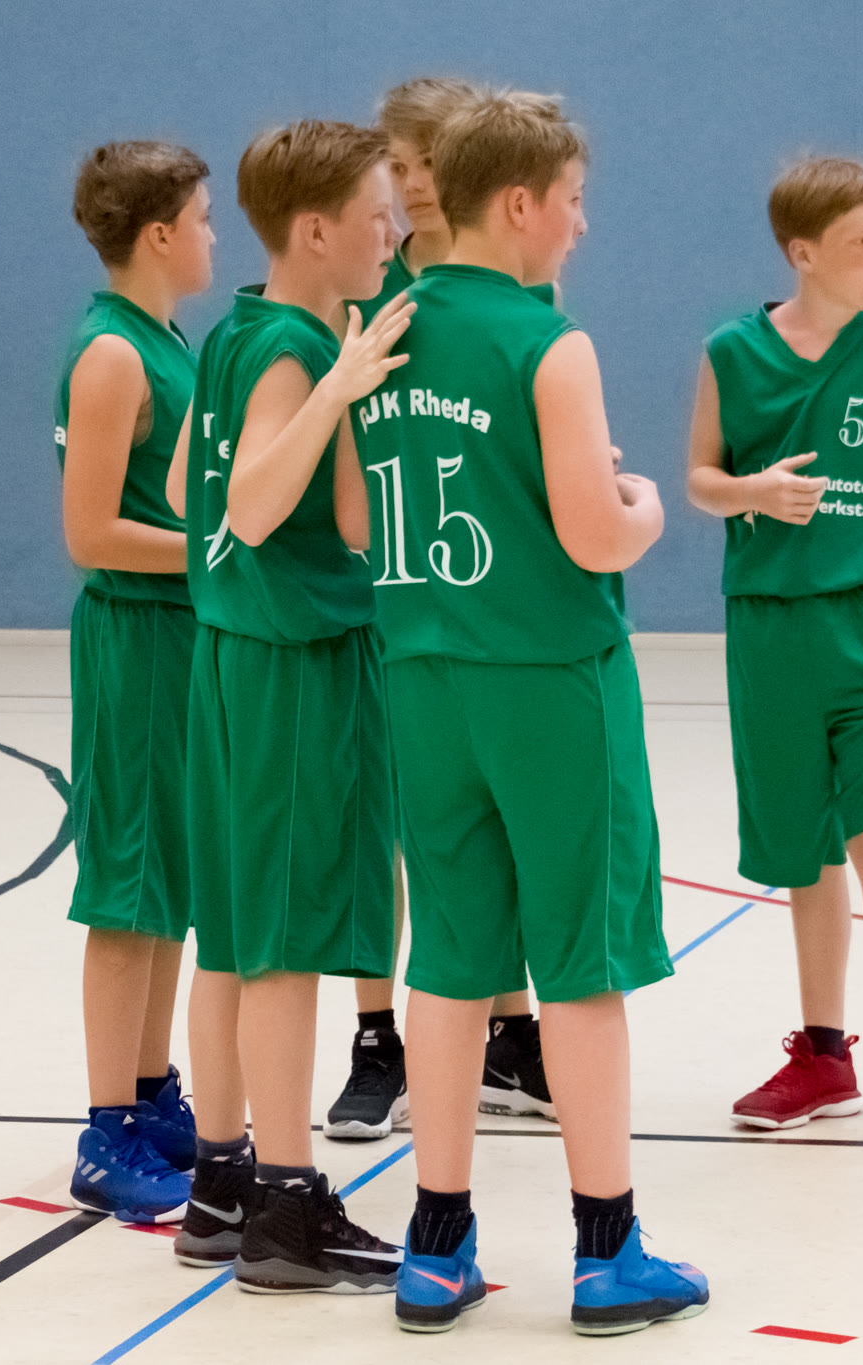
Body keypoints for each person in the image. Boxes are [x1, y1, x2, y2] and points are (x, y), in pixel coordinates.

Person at [349, 90, 709, 1335]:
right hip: (550, 679)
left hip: (421, 675)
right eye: (572, 201)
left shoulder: (383, 329)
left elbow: (354, 517)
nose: (581, 224)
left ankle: (435, 1245)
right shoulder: (550, 343)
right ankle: (607, 1252)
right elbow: (593, 532)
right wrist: (642, 506)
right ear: (518, 204)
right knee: (581, 965)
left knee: (450, 964)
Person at [685, 155, 863, 1158]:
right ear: (801, 252)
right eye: (859, 243)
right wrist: (752, 492)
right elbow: (699, 478)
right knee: (804, 854)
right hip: (771, 630)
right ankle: (822, 1056)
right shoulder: (731, 352)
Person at [163, 119, 413, 1290]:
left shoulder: (235, 330)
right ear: (316, 232)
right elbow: (252, 507)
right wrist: (341, 391)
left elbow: (188, 484)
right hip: (293, 664)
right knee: (284, 944)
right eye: (376, 216)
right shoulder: (299, 353)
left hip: (229, 656)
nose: (393, 232)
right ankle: (288, 1205)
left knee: (231, 934)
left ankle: (219, 1184)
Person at [326, 75, 554, 1145]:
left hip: (485, 601)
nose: (411, 184)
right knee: (395, 827)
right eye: (398, 166)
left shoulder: (516, 287)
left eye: (424, 165)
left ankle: (510, 1030)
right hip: (389, 584)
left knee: (484, 822)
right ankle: (379, 1035)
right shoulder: (368, 286)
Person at [59, 140, 214, 1223]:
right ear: (158, 234)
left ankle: (152, 1093)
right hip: (136, 641)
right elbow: (92, 532)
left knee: (168, 879)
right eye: (202, 219)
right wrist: (219, 547)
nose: (213, 237)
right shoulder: (112, 355)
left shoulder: (165, 339)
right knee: (127, 887)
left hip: (180, 639)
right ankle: (105, 1130)